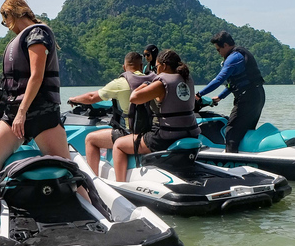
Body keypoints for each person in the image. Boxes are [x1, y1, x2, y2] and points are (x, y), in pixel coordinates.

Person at [0, 0, 71, 234]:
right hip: (13, 116)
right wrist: (15, 113)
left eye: (6, 21)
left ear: (11, 14)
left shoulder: (37, 35)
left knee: (69, 170)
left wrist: (23, 112)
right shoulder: (21, 40)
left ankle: (96, 213)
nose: (7, 27)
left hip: (40, 115)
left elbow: (37, 75)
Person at [111, 50, 200, 183]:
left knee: (118, 144)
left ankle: (120, 184)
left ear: (164, 66)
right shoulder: (187, 79)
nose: (156, 70)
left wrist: (143, 85)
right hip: (191, 133)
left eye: (156, 67)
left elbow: (134, 98)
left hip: (166, 137)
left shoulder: (161, 84)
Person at [67, 52, 152, 174]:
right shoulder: (152, 80)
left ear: (124, 67)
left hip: (129, 132)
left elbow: (91, 97)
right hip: (149, 132)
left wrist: (74, 99)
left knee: (90, 139)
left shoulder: (120, 83)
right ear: (141, 65)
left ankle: (93, 181)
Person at [196, 31, 265, 153]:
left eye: (218, 50)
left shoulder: (234, 58)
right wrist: (220, 96)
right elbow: (235, 83)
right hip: (256, 95)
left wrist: (199, 94)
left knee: (231, 131)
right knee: (245, 131)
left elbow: (218, 80)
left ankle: (231, 163)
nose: (219, 53)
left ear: (226, 45)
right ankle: (246, 157)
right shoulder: (239, 55)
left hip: (247, 98)